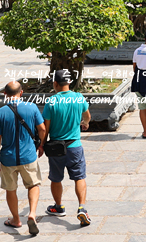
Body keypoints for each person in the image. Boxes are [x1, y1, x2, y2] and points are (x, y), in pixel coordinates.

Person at [0, 81, 46, 235]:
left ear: (5, 94)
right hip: (28, 156)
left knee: (11, 189)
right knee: (33, 185)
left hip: (8, 159)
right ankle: (32, 214)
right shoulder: (32, 107)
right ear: (21, 93)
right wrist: (41, 144)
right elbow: (42, 129)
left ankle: (16, 219)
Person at [42, 69, 92, 226]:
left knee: (56, 178)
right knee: (79, 176)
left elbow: (46, 127)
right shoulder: (78, 98)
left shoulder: (51, 102)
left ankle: (58, 207)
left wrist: (42, 145)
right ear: (69, 82)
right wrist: (84, 123)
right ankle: (82, 208)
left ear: (55, 83)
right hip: (75, 146)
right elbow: (87, 116)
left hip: (56, 148)